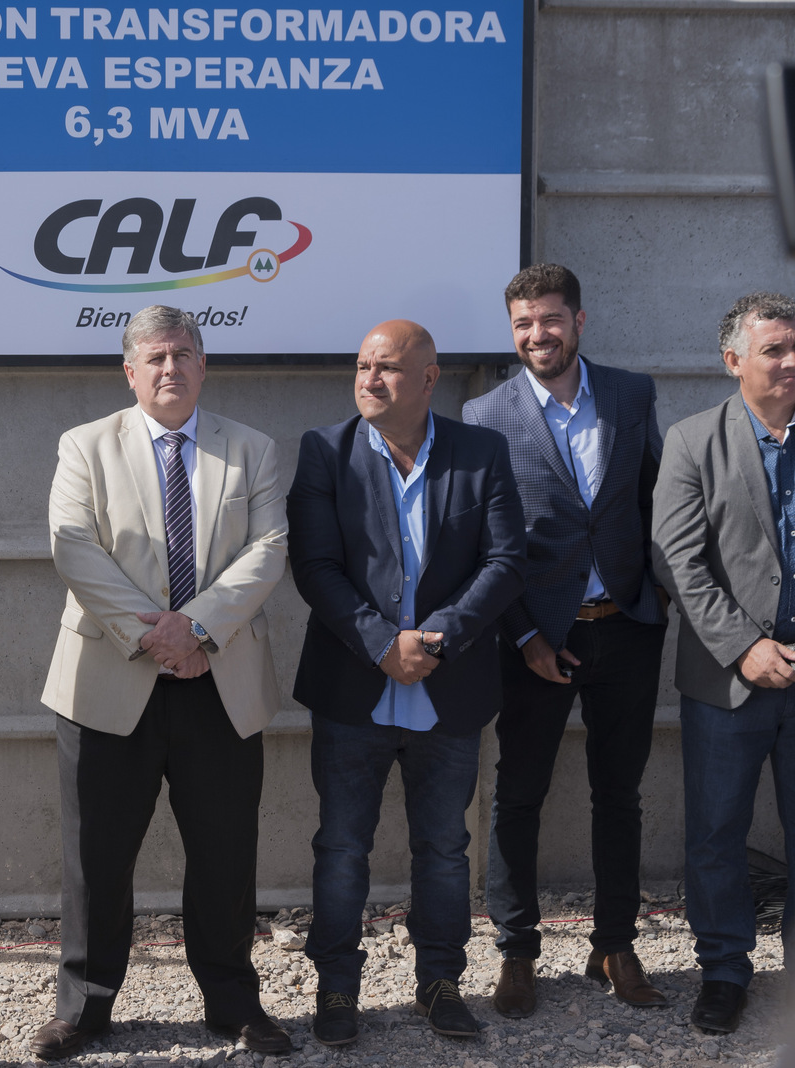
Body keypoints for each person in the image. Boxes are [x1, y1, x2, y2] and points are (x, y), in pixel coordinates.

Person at [31, 305, 291, 1060]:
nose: (170, 367)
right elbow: (72, 546)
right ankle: (83, 1007)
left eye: (183, 353)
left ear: (204, 365)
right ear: (130, 372)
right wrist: (158, 636)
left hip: (220, 681)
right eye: (155, 357)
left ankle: (232, 1001)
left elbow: (269, 550)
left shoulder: (252, 451)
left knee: (224, 854)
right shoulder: (84, 445)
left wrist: (198, 628)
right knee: (97, 857)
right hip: (108, 682)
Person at [286, 320, 525, 1047]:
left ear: (429, 379)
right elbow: (316, 568)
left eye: (386, 367)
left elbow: (507, 560)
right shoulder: (325, 451)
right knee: (341, 848)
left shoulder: (480, 451)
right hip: (355, 688)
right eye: (362, 365)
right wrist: (381, 644)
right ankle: (335, 990)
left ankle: (441, 983)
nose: (369, 378)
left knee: (446, 849)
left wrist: (437, 640)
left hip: (447, 689)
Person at [462, 264, 671, 1017]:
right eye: (522, 323)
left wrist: (660, 596)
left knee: (620, 795)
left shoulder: (631, 394)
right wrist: (522, 635)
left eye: (549, 319)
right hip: (535, 640)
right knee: (517, 795)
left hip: (626, 630)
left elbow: (658, 500)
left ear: (579, 320)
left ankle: (614, 943)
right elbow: (489, 542)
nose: (536, 334)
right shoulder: (485, 414)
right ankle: (517, 953)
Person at [652, 291, 795, 1036]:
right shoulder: (692, 441)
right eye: (774, 349)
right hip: (725, 680)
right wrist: (745, 646)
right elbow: (677, 560)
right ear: (733, 360)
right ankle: (725, 972)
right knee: (715, 833)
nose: (791, 361)